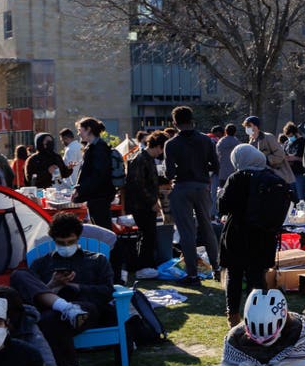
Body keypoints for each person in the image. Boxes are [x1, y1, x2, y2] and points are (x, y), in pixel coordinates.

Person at [10, 213, 114, 366]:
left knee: (52, 319)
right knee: (19, 275)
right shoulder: (42, 263)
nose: (66, 246)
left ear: (78, 238)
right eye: (61, 242)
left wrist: (76, 287)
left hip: (84, 309)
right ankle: (64, 308)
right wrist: (52, 285)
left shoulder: (97, 260)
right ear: (53, 240)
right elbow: (27, 295)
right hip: (50, 309)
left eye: (70, 242)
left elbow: (107, 291)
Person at [218, 144, 286, 325]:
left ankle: (233, 316)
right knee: (257, 276)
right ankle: (257, 317)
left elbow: (223, 207)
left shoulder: (237, 178)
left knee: (235, 275)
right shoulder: (272, 178)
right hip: (263, 235)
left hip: (238, 234)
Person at [165, 105, 221, 286]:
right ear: (192, 120)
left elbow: (169, 172)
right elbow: (216, 166)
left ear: (175, 123)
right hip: (202, 186)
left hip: (182, 187)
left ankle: (192, 275)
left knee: (187, 231)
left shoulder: (171, 144)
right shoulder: (206, 140)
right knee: (207, 227)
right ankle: (217, 268)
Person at [124, 130, 166, 278]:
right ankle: (143, 266)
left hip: (144, 204)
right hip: (141, 205)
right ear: (159, 146)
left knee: (148, 234)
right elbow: (138, 185)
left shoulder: (146, 158)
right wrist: (152, 202)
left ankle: (146, 265)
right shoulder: (141, 159)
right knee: (147, 234)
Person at [71, 117, 115, 230]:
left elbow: (97, 175)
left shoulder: (98, 148)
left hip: (99, 196)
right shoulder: (95, 147)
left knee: (103, 231)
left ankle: (112, 248)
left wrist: (80, 189)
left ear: (88, 129)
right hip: (98, 196)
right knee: (101, 229)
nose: (78, 133)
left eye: (80, 130)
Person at [243, 115, 296, 185]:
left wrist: (266, 160)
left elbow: (280, 154)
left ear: (256, 126)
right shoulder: (251, 142)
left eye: (249, 125)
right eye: (246, 126)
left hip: (278, 176)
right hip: (262, 178)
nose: (247, 128)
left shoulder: (268, 137)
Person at [281, 122, 305, 202]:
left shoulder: (303, 142)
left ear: (295, 133)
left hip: (300, 173)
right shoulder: (286, 143)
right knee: (292, 198)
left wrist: (295, 158)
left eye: (291, 136)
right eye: (288, 136)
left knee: (301, 197)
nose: (289, 138)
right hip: (289, 174)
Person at [216, 123, 240, 189]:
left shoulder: (220, 142)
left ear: (225, 131)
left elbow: (216, 155)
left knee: (222, 192)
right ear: (235, 132)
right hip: (234, 172)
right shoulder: (237, 143)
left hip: (222, 172)